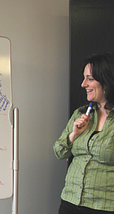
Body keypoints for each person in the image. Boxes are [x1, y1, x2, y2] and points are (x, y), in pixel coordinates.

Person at [54, 52, 114, 214]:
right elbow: (59, 152)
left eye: (90, 79)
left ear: (106, 81)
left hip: (105, 206)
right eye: (84, 78)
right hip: (70, 200)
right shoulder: (81, 113)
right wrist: (73, 135)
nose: (83, 84)